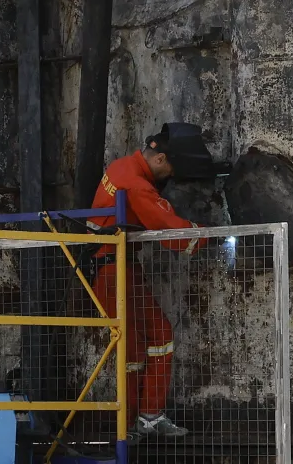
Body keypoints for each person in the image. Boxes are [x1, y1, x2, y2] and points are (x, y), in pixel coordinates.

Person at [87, 124, 214, 441]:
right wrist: (208, 234)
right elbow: (170, 231)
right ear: (159, 158)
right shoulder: (137, 185)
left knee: (157, 335)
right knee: (134, 346)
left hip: (120, 267)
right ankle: (128, 426)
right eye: (171, 169)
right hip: (112, 271)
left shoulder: (122, 166)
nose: (169, 178)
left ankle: (146, 418)